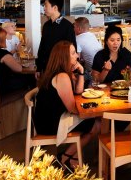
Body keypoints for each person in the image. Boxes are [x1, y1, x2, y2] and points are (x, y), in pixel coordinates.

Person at [33, 41, 100, 169]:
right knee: (96, 124)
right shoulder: (62, 76)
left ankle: (71, 157)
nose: (77, 56)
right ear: (64, 57)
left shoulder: (61, 72)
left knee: (93, 121)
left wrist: (81, 71)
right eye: (73, 53)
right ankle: (65, 157)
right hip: (50, 124)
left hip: (49, 117)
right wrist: (89, 110)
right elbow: (72, 108)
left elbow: (78, 91)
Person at [0, 28, 35, 97]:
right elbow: (19, 69)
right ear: (2, 40)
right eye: (6, 38)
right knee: (31, 77)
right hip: (2, 86)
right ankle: (31, 101)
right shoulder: (3, 54)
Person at [36, 0, 76, 79]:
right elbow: (42, 46)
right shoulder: (46, 25)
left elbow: (72, 49)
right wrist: (39, 68)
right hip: (46, 68)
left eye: (46, 6)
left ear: (55, 8)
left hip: (60, 69)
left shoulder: (67, 26)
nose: (44, 8)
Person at [74, 17, 102, 87]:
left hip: (92, 72)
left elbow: (77, 59)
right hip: (102, 67)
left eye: (74, 27)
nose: (73, 29)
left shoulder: (77, 39)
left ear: (79, 29)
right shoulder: (92, 35)